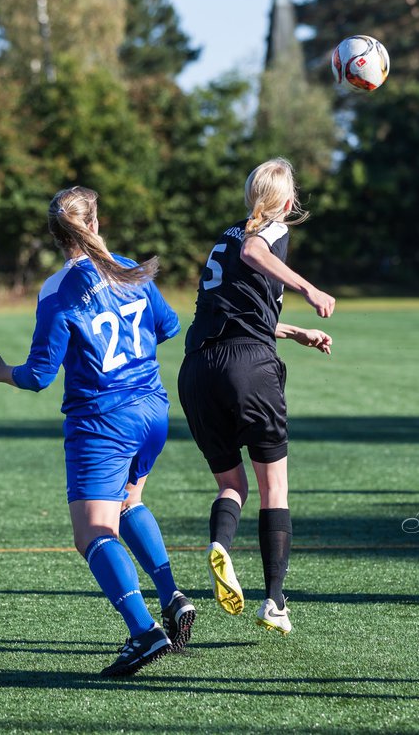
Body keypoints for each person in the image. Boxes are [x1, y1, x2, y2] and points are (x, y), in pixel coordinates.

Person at [0, 186, 193, 678]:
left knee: (93, 532)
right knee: (130, 503)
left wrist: (0, 370)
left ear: (54, 234)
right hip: (152, 410)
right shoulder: (130, 267)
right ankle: (172, 597)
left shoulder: (58, 290)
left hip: (103, 420)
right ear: (96, 220)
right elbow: (170, 326)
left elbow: (39, 376)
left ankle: (144, 632)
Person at [177, 157, 334, 636]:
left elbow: (236, 311)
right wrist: (308, 287)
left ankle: (222, 543)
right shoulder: (266, 231)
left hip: (197, 370)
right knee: (275, 489)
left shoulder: (223, 237)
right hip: (249, 369)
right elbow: (254, 252)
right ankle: (275, 602)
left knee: (233, 486)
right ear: (287, 201)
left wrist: (293, 332)